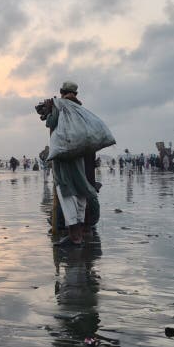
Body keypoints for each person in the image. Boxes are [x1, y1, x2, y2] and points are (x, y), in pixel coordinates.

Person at [41, 81, 101, 247]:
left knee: (65, 191)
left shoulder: (60, 105)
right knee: (81, 191)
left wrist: (50, 108)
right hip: (79, 156)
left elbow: (51, 123)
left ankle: (74, 236)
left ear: (61, 92)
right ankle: (80, 233)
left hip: (64, 155)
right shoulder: (81, 109)